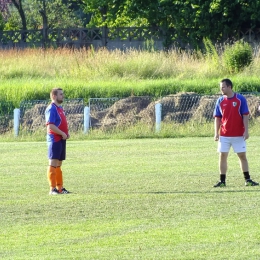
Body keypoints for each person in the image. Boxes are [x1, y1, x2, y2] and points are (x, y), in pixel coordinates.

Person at [213, 78, 259, 187]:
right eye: (220, 87)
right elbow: (217, 118)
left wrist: (246, 131)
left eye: (223, 87)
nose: (221, 89)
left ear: (229, 87)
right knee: (222, 156)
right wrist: (216, 132)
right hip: (224, 135)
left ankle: (247, 180)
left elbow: (245, 115)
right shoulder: (220, 100)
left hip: (238, 134)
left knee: (242, 156)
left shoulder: (240, 99)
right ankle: (222, 181)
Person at [45, 88, 70, 195]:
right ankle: (52, 189)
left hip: (61, 139)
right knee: (53, 162)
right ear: (54, 96)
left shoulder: (60, 108)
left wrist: (65, 133)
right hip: (54, 139)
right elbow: (50, 125)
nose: (62, 96)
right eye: (60, 94)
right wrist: (61, 133)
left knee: (59, 164)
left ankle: (60, 188)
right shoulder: (52, 108)